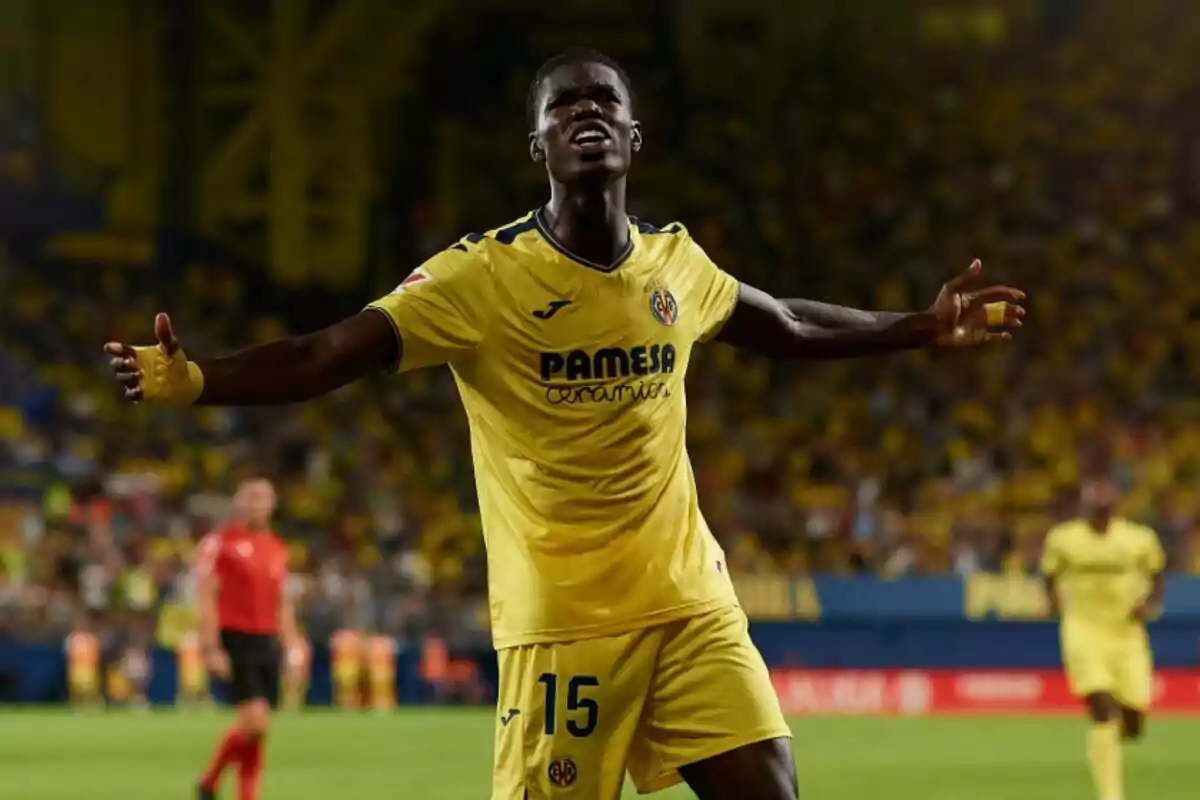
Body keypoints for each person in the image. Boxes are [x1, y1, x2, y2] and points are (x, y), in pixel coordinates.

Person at [105, 49, 1024, 800]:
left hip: (689, 605)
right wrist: (200, 381)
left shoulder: (676, 263)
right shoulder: (479, 280)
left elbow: (783, 323)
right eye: (562, 106)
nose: (584, 113)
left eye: (604, 101)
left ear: (633, 135)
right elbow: (327, 353)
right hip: (562, 624)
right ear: (537, 146)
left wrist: (916, 326)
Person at [1041, 476, 1166, 800]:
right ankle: (1111, 795)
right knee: (1103, 709)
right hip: (1083, 630)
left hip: (1126, 634)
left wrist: (1149, 603)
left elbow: (1156, 574)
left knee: (1134, 721)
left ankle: (1113, 738)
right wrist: (1052, 601)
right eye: (1093, 508)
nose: (1099, 513)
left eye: (1104, 508)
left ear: (1114, 508)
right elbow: (1049, 574)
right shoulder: (1063, 539)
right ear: (1084, 508)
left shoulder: (1139, 539)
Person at [193, 477, 299, 800]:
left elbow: (282, 602)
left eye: (262, 498)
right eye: (250, 497)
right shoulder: (219, 543)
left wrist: (293, 644)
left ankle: (211, 784)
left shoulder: (278, 548)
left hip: (267, 640)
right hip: (235, 637)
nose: (256, 504)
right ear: (238, 502)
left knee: (259, 728)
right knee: (254, 723)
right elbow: (206, 595)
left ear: (272, 504)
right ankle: (224, 786)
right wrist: (211, 647)